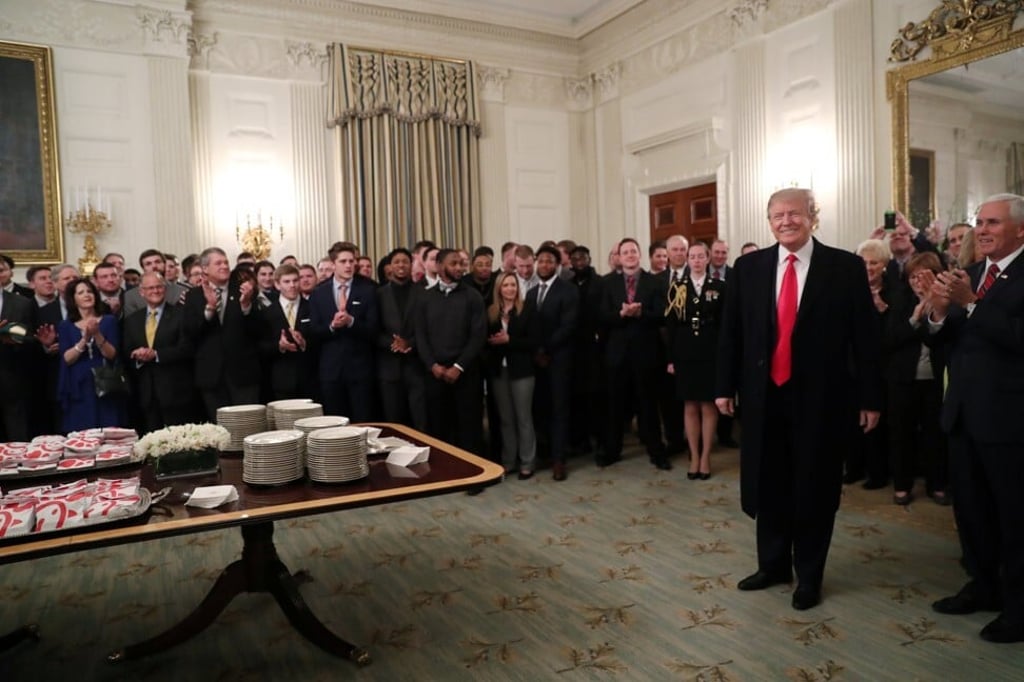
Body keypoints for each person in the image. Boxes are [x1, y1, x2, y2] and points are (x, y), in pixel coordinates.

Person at [716, 187, 881, 611]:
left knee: (814, 486)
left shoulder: (844, 267)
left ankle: (809, 575)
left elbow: (865, 339)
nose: (786, 221)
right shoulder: (748, 267)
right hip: (762, 396)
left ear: (812, 216)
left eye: (794, 213)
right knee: (767, 482)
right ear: (768, 221)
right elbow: (731, 334)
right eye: (777, 215)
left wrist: (870, 398)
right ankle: (772, 565)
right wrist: (723, 386)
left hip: (823, 401)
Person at [927, 193, 1024, 644]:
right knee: (972, 513)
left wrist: (972, 306)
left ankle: (1019, 607)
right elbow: (954, 341)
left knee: (1014, 517)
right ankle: (983, 585)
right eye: (979, 222)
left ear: (1020, 230)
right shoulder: (977, 274)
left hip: (1010, 420)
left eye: (993, 222)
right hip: (964, 414)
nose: (982, 230)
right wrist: (940, 311)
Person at [599, 238, 670, 471]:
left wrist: (641, 314)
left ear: (640, 255)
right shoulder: (607, 283)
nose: (629, 255)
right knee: (615, 406)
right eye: (625, 252)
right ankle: (612, 450)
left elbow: (663, 314)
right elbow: (601, 317)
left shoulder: (655, 282)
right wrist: (620, 314)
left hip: (646, 353)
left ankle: (656, 451)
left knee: (648, 404)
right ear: (619, 257)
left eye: (633, 251)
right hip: (617, 354)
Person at [883, 252, 948, 506]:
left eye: (922, 275)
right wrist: (914, 318)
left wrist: (933, 315)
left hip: (936, 380)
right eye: (912, 276)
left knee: (936, 434)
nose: (916, 281)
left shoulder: (946, 300)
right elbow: (889, 340)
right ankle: (902, 485)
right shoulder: (900, 300)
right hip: (903, 379)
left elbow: (944, 339)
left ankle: (938, 484)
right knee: (901, 434)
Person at [415, 249, 486, 454]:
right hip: (435, 373)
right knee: (438, 426)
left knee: (469, 426)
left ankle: (473, 476)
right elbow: (421, 336)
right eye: (453, 263)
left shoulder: (472, 297)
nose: (459, 268)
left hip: (465, 372)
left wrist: (458, 366)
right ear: (438, 266)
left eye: (461, 264)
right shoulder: (425, 298)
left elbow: (477, 336)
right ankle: (445, 474)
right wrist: (432, 365)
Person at [182, 247, 264, 420]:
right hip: (211, 375)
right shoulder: (193, 296)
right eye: (218, 263)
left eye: (226, 262)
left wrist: (246, 306)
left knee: (247, 426)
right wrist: (209, 309)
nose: (225, 266)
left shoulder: (245, 290)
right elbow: (190, 333)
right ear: (205, 268)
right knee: (221, 433)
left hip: (243, 374)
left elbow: (259, 330)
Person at [666, 242, 725, 479]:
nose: (697, 260)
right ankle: (693, 454)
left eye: (701, 256)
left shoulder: (720, 287)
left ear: (708, 259)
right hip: (685, 353)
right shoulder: (677, 287)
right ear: (687, 260)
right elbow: (670, 327)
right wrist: (671, 358)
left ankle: (706, 456)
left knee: (709, 406)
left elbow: (725, 325)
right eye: (693, 256)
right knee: (690, 405)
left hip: (711, 353)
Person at [309, 243, 379, 421]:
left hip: (360, 369)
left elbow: (374, 330)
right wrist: (331, 326)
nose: (349, 265)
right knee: (335, 422)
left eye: (352, 261)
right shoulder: (319, 292)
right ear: (333, 264)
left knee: (363, 421)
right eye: (343, 261)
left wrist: (351, 322)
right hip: (331, 370)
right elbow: (313, 332)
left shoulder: (368, 289)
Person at [526, 244, 578, 481]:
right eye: (541, 261)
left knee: (559, 410)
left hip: (559, 360)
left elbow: (568, 326)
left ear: (557, 265)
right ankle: (544, 453)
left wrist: (546, 348)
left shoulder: (568, 290)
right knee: (540, 408)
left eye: (549, 261)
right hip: (536, 361)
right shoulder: (531, 292)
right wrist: (536, 351)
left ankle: (559, 459)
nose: (544, 265)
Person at [123, 272, 196, 432]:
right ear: (141, 292)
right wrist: (138, 356)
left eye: (158, 287)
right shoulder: (132, 320)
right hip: (146, 393)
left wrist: (156, 355)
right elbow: (126, 352)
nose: (155, 291)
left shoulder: (181, 314)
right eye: (150, 288)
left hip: (176, 390)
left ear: (165, 289)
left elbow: (187, 348)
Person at [486, 272, 540, 478]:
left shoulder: (527, 309)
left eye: (513, 285)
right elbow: (488, 341)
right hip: (500, 371)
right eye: (506, 285)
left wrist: (510, 339)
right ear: (499, 288)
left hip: (522, 371)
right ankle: (509, 460)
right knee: (506, 418)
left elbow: (534, 341)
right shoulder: (491, 311)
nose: (510, 289)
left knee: (524, 417)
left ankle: (528, 461)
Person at [57, 278, 127, 431]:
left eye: (89, 291)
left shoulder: (109, 321)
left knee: (108, 428)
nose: (87, 295)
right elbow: (67, 359)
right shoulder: (65, 326)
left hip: (104, 382)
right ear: (73, 299)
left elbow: (111, 355)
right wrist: (85, 339)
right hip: (79, 385)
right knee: (82, 430)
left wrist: (97, 334)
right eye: (81, 292)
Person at [376, 248, 427, 430]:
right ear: (390, 266)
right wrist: (394, 344)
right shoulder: (379, 294)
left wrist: (410, 343)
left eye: (405, 261)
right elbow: (374, 330)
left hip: (417, 367)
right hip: (389, 368)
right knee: (393, 422)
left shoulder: (423, 294)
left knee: (420, 421)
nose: (401, 265)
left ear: (411, 265)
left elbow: (427, 328)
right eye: (396, 261)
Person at [258, 264, 315, 401]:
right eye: (287, 282)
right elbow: (261, 346)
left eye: (295, 280)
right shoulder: (267, 313)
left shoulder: (312, 307)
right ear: (277, 285)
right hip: (280, 381)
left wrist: (304, 343)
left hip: (309, 378)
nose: (292, 285)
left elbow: (321, 338)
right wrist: (279, 346)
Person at [0, 286, 34, 440]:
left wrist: (13, 339)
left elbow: (30, 337)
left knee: (17, 430)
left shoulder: (21, 303)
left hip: (12, 376)